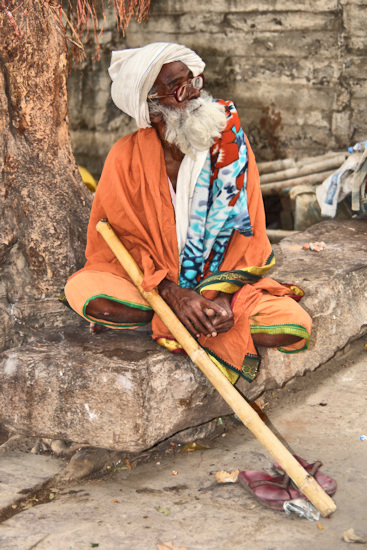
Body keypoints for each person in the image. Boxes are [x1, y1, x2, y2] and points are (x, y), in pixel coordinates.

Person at [64, 42, 312, 384]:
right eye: (177, 88)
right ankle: (181, 314)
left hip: (220, 283)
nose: (194, 93)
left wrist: (223, 298)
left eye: (193, 81)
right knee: (91, 296)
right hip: (156, 283)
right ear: (152, 110)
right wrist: (172, 292)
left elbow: (248, 230)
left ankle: (187, 319)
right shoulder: (124, 158)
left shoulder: (230, 144)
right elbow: (123, 242)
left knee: (292, 324)